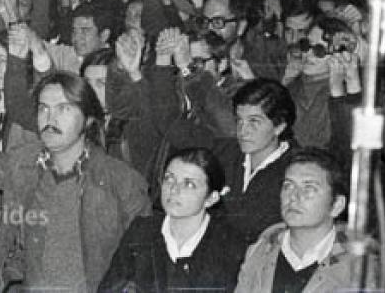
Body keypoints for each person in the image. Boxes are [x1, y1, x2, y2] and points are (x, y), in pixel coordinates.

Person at [0, 71, 149, 290]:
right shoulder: (23, 166)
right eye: (43, 109)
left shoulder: (122, 181)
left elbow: (145, 260)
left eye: (63, 108)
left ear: (88, 119)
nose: (50, 119)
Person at [99, 148, 249, 292]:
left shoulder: (230, 246)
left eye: (189, 184)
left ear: (211, 198)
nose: (174, 189)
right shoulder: (141, 232)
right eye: (169, 179)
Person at [234, 146, 360, 293]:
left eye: (309, 188)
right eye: (288, 186)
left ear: (337, 205)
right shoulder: (260, 252)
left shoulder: (359, 269)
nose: (293, 197)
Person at [217, 79, 299, 245]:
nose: (242, 131)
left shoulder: (296, 170)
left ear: (279, 126)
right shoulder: (224, 154)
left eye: (254, 122)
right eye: (239, 120)